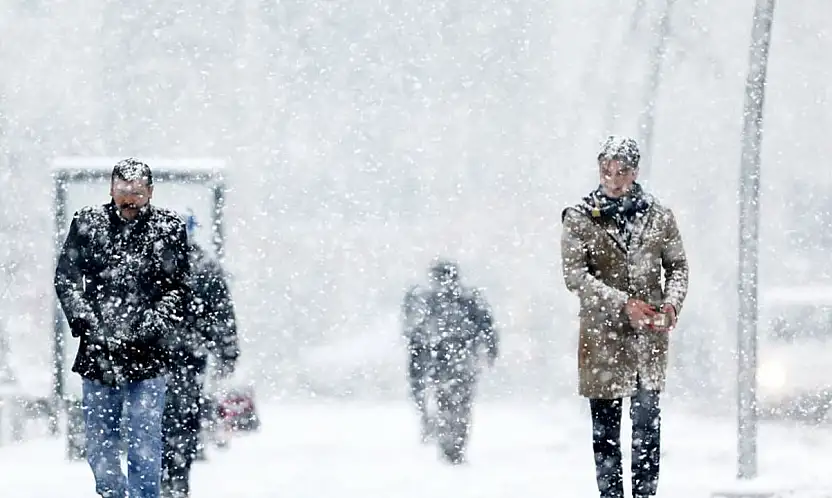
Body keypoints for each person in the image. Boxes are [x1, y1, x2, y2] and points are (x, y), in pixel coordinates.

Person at [560, 136, 689, 498]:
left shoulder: (659, 217)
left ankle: (646, 494)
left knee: (647, 425)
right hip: (602, 340)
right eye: (607, 171)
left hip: (648, 340)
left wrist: (671, 304)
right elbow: (575, 276)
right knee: (605, 434)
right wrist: (623, 303)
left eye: (622, 172)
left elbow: (677, 266)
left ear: (635, 172)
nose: (614, 180)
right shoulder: (581, 218)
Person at [54, 158, 190, 498]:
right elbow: (66, 279)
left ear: (150, 193)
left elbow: (180, 288)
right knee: (100, 442)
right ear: (111, 190)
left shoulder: (169, 229)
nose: (129, 199)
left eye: (137, 192)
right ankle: (112, 494)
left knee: (145, 440)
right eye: (123, 191)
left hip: (149, 354)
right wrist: (85, 319)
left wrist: (155, 321)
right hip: (99, 355)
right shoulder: (87, 224)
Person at [161, 212, 239, 498]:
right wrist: (227, 352)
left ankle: (163, 478)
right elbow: (222, 315)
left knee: (156, 420)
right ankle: (177, 479)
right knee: (182, 419)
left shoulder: (152, 262)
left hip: (157, 359)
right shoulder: (204, 265)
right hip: (187, 358)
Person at [403, 259, 499, 464]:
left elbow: (416, 336)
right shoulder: (467, 300)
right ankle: (454, 445)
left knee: (448, 404)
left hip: (445, 364)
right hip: (461, 362)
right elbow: (487, 327)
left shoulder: (432, 302)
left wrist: (420, 363)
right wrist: (489, 351)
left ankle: (450, 444)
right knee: (459, 406)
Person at [400, 283, 432, 442]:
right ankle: (430, 421)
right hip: (427, 355)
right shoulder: (425, 299)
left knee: (420, 390)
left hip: (421, 355)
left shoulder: (420, 298)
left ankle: (428, 420)